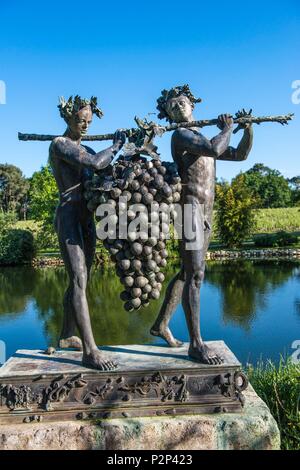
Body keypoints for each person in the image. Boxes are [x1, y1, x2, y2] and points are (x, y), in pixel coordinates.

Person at [150, 85, 253, 364]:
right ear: (169, 116)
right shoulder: (182, 136)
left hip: (205, 212)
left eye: (182, 103)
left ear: (192, 106)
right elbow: (214, 147)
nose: (178, 108)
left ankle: (161, 325)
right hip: (189, 211)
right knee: (195, 275)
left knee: (187, 272)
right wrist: (229, 127)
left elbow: (240, 155)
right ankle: (196, 343)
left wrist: (248, 129)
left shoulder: (200, 137)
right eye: (172, 107)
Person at [49, 95, 126, 370]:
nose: (85, 125)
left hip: (87, 219)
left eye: (88, 122)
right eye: (80, 120)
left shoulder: (88, 147)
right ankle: (90, 351)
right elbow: (94, 164)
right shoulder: (60, 145)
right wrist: (116, 145)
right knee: (79, 279)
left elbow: (103, 168)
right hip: (69, 216)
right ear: (67, 118)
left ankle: (68, 334)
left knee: (80, 280)